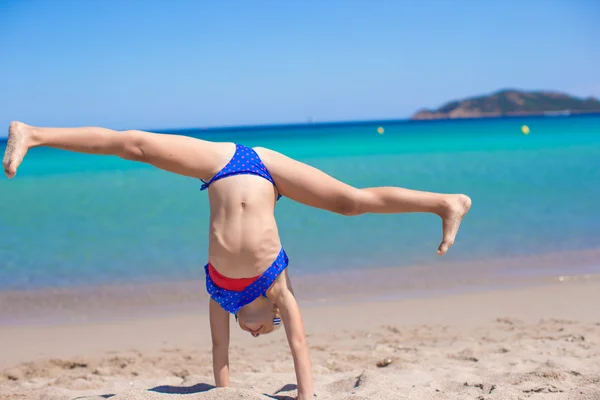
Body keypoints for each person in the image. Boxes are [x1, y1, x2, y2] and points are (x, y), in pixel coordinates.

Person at [3, 121, 471, 400]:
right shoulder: (277, 289)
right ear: (274, 316)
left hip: (223, 168)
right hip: (259, 164)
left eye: (257, 334)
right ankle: (36, 134)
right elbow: (301, 345)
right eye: (265, 331)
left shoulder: (220, 293)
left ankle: (443, 203)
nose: (258, 334)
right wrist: (306, 395)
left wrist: (223, 391)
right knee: (135, 145)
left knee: (350, 202)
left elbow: (219, 353)